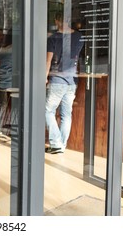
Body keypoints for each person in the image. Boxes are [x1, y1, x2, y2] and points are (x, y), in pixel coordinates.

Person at [45, 12, 84, 154]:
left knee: (48, 110)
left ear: (56, 20)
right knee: (66, 114)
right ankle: (61, 146)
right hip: (72, 80)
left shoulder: (53, 37)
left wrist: (44, 77)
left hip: (58, 79)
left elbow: (48, 60)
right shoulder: (79, 36)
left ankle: (56, 143)